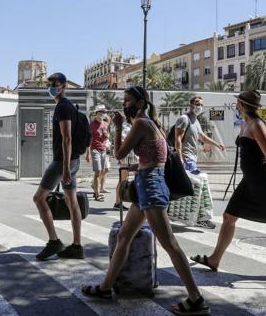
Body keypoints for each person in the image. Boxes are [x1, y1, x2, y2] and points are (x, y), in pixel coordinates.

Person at [82, 86, 210, 316]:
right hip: (146, 184)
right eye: (124, 100)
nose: (125, 104)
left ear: (140, 103)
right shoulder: (152, 123)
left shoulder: (141, 123)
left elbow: (119, 153)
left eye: (128, 100)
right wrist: (137, 166)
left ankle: (196, 298)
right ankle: (105, 288)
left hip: (151, 187)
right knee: (124, 236)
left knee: (170, 243)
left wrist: (118, 126)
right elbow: (155, 157)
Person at [190, 90, 266, 280]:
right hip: (249, 182)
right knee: (229, 217)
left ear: (243, 105)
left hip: (261, 181)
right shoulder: (247, 123)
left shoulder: (257, 125)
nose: (236, 105)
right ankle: (214, 259)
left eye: (238, 103)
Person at [32, 72, 84, 260]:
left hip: (63, 162)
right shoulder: (69, 106)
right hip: (73, 160)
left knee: (39, 198)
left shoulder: (62, 107)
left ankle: (54, 242)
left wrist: (64, 169)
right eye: (50, 84)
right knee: (71, 201)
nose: (51, 87)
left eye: (55, 84)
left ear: (64, 86)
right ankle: (77, 246)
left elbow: (67, 138)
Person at [174, 95, 224, 229]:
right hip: (187, 159)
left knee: (193, 190)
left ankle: (192, 216)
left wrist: (217, 144)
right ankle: (202, 218)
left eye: (201, 104)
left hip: (192, 159)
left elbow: (202, 137)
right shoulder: (184, 119)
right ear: (190, 105)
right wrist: (180, 159)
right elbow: (177, 139)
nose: (199, 106)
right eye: (197, 103)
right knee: (198, 189)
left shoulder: (195, 121)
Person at [85, 105, 109, 202]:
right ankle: (97, 193)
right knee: (98, 171)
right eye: (100, 112)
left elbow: (107, 136)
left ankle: (96, 189)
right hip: (95, 149)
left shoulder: (105, 124)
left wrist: (107, 136)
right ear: (96, 113)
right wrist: (88, 153)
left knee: (102, 171)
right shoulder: (92, 124)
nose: (102, 113)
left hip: (103, 149)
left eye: (104, 112)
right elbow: (88, 139)